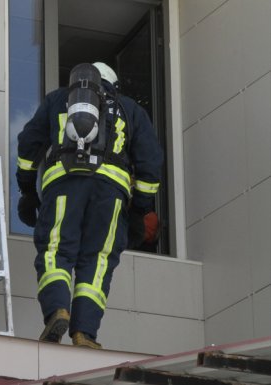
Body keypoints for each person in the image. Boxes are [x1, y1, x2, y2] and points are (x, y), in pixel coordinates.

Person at [16, 62, 162, 348]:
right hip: (111, 193)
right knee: (98, 260)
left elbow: (28, 146)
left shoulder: (58, 99)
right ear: (113, 85)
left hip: (63, 184)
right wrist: (140, 209)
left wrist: (27, 191)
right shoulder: (130, 108)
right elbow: (150, 164)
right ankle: (84, 333)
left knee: (56, 249)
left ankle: (57, 310)